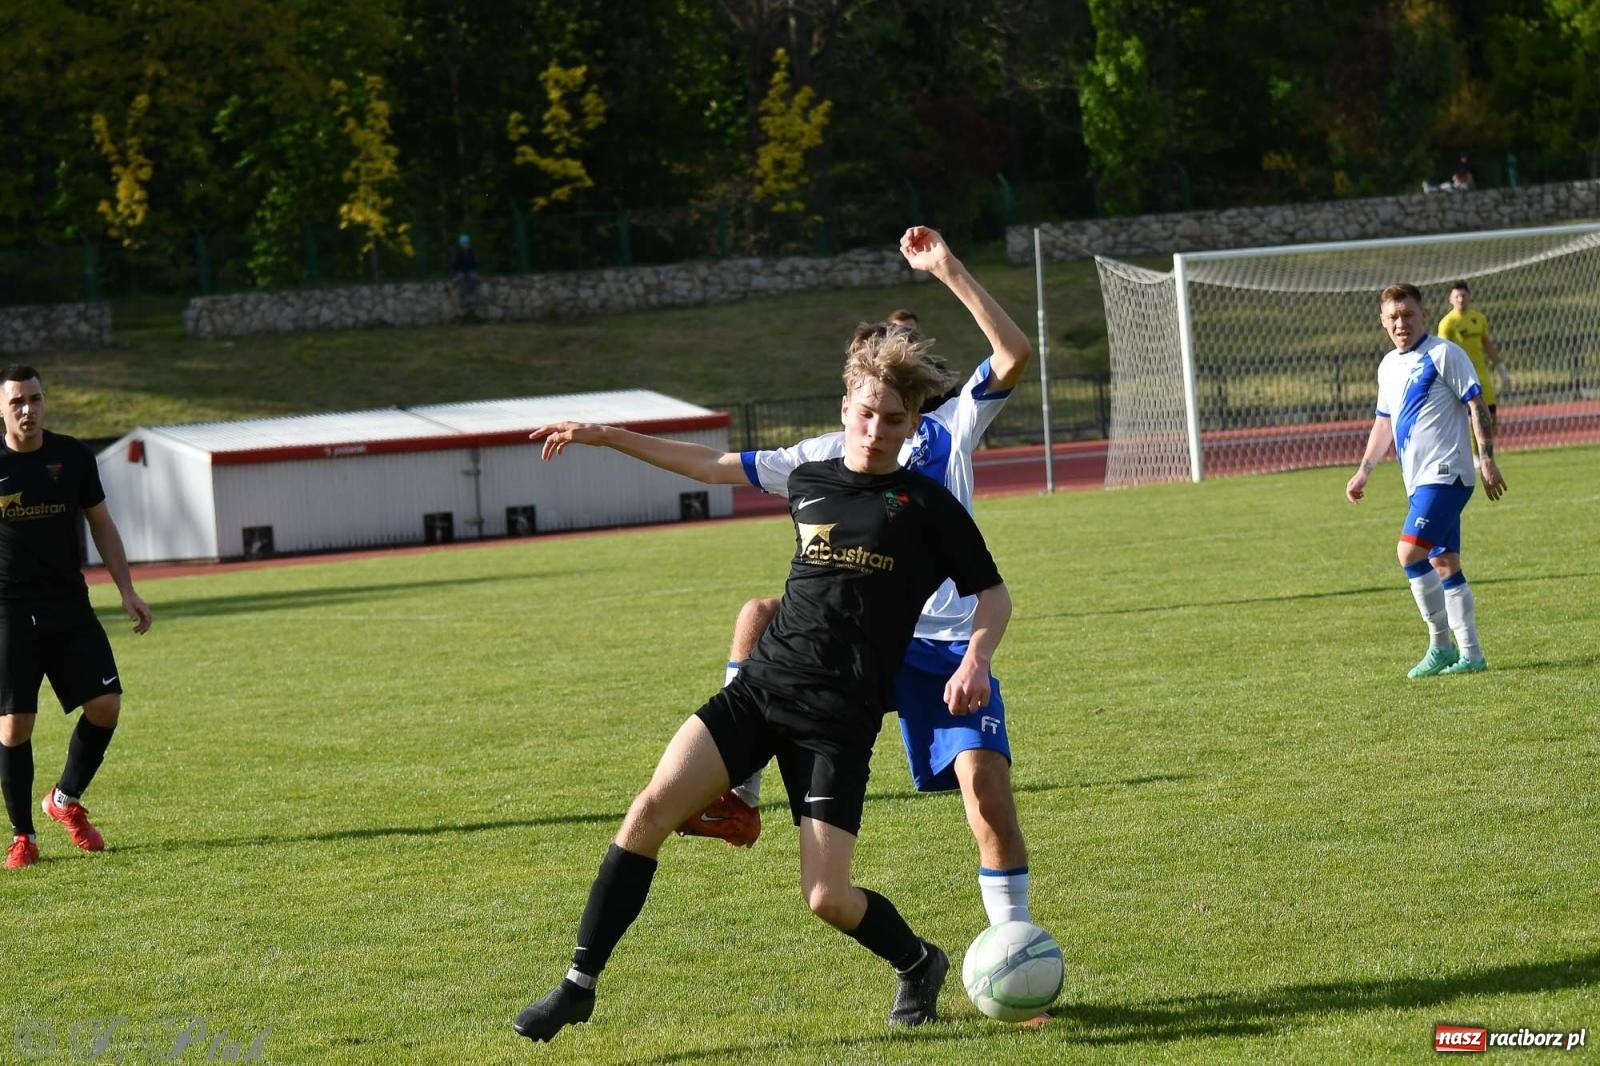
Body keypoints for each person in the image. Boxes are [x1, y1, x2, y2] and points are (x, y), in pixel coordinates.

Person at [514, 326, 1012, 1043]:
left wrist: (976, 659)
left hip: (837, 722)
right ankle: (577, 985)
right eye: (866, 412)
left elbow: (993, 596)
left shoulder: (928, 508)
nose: (876, 430)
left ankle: (919, 961)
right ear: (846, 408)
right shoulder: (808, 476)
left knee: (827, 898)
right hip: (760, 689)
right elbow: (709, 463)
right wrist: (605, 434)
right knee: (649, 810)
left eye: (894, 419)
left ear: (912, 425)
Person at [678, 227, 1042, 942]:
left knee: (988, 798)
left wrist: (947, 267)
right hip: (862, 644)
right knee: (760, 612)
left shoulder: (946, 429)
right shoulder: (825, 453)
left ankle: (1016, 946)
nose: (880, 416)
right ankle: (740, 790)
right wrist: (608, 438)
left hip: (941, 645)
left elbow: (1013, 355)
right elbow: (716, 467)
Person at [1, 366, 152, 870]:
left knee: (106, 705)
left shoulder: (73, 457)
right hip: (9, 613)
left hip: (69, 606)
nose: (28, 409)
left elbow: (103, 525)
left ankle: (63, 801)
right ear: (2, 409)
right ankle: (23, 835)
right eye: (18, 401)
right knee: (14, 725)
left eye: (36, 399)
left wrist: (127, 590)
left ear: (46, 402)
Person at [1345, 284, 1506, 678]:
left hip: (1447, 473)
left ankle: (1439, 645)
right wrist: (1364, 470)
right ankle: (1471, 655)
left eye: (1408, 315)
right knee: (1444, 561)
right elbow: (1383, 422)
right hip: (1418, 480)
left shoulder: (1444, 353)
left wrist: (1487, 459)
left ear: (1423, 314)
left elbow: (1476, 404)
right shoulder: (1388, 366)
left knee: (1408, 553)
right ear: (1383, 322)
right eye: (1393, 317)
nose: (1401, 323)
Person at [1435, 280, 1506, 444]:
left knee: (1491, 414)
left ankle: (1486, 452)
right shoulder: (1447, 323)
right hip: (1462, 375)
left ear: (1469, 297)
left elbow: (1486, 343)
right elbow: (1443, 351)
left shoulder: (1479, 318)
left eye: (1463, 295)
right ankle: (1475, 456)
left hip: (1481, 373)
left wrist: (1501, 368)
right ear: (1450, 300)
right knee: (1472, 416)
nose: (1460, 299)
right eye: (1457, 296)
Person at [450, 233, 480, 313]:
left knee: (473, 277)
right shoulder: (457, 252)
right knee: (461, 278)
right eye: (464, 243)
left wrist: (475, 270)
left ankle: (471, 295)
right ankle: (465, 296)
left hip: (470, 270)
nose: (466, 245)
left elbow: (475, 263)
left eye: (467, 243)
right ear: (461, 244)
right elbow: (454, 264)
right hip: (460, 271)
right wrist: (453, 276)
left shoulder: (472, 251)